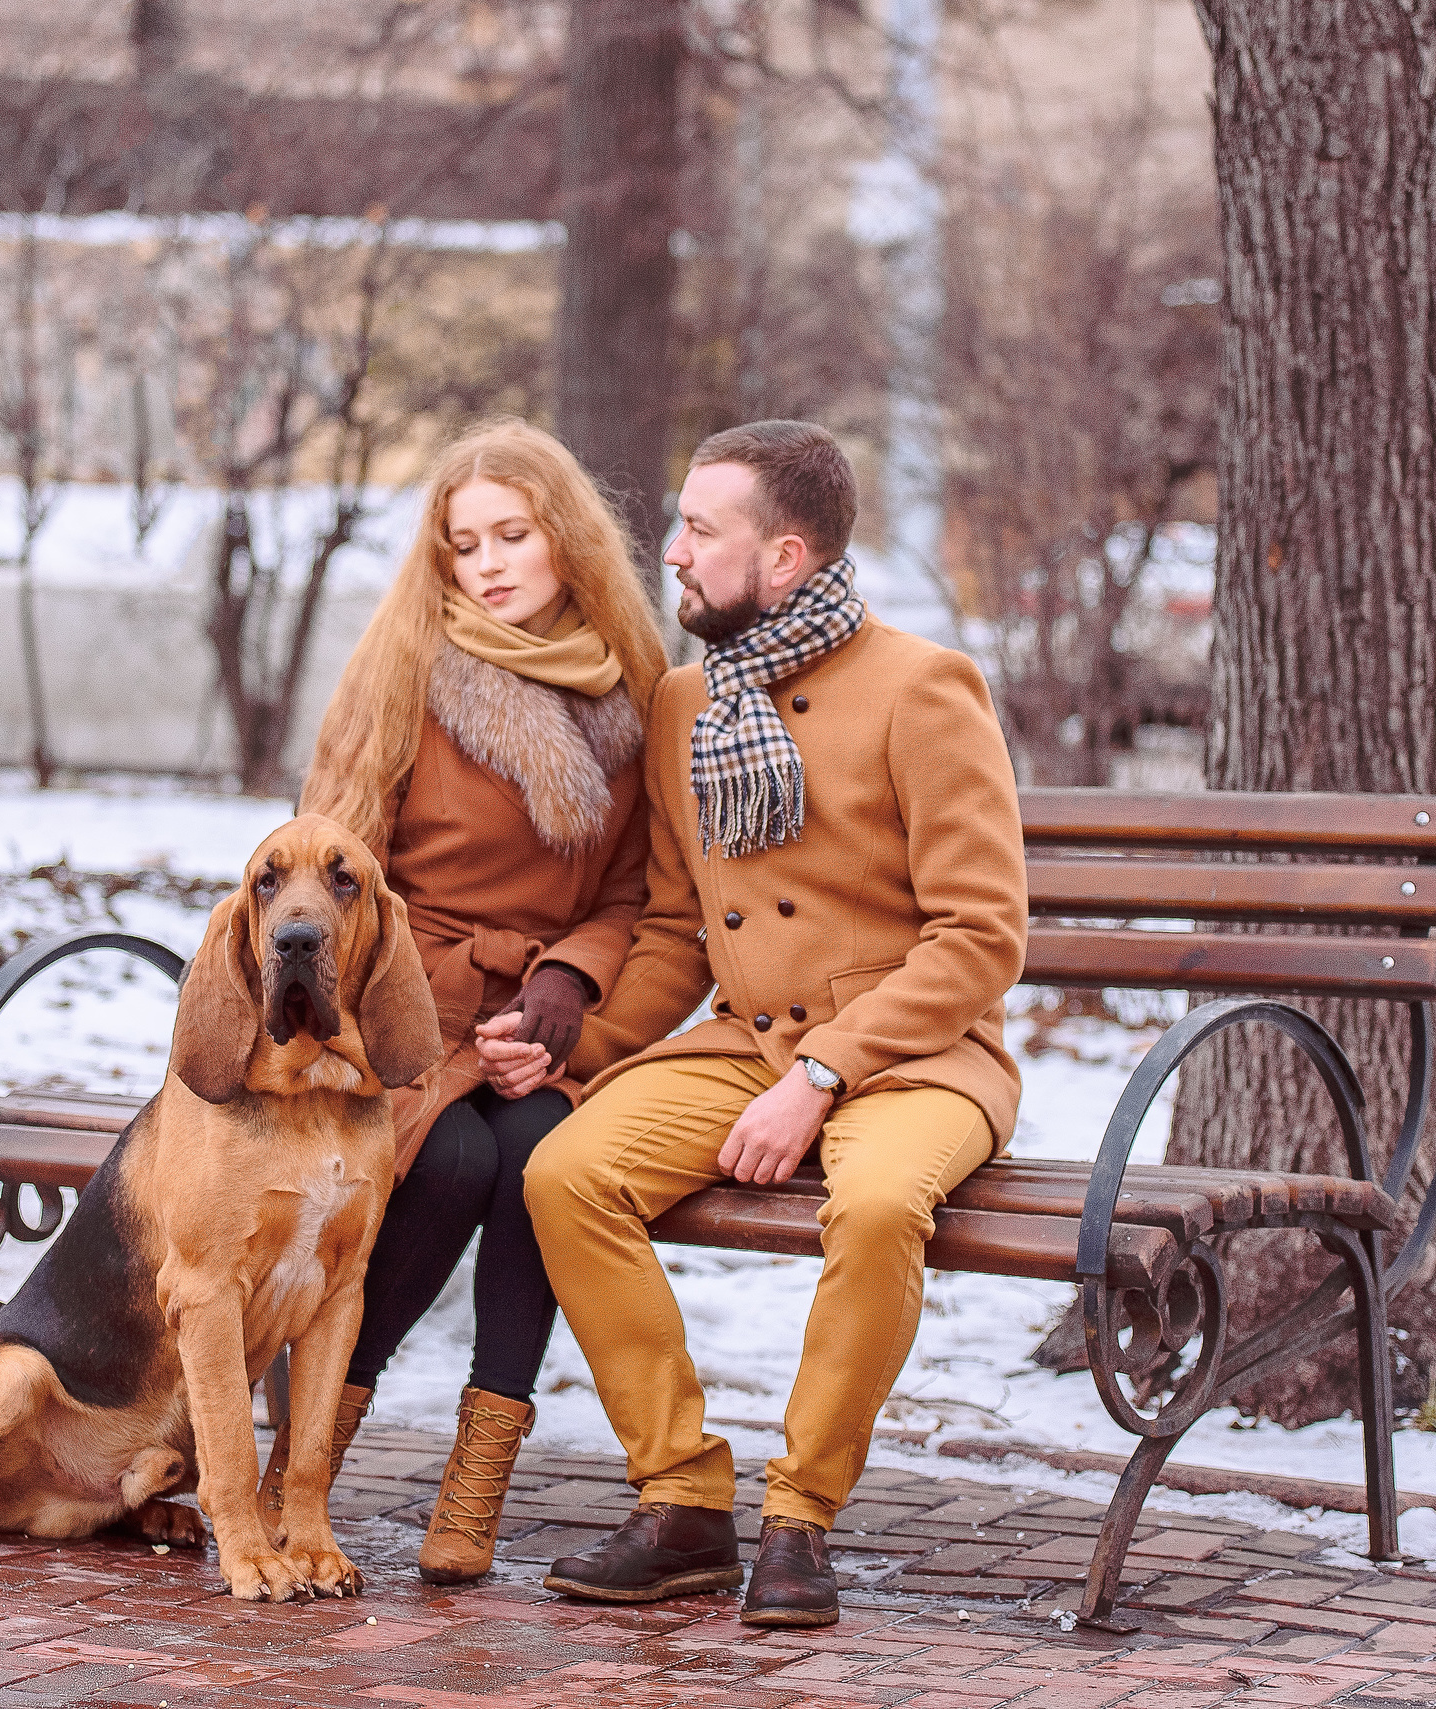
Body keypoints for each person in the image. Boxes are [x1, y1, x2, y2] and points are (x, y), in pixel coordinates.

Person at [487, 420, 1027, 1628]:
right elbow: (679, 925)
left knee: (881, 1203)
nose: (670, 551)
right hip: (746, 1042)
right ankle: (680, 1500)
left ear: (784, 558)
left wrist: (825, 1073)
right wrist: (575, 1046)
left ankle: (801, 1518)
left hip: (913, 1054)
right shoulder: (688, 701)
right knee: (566, 1169)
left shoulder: (923, 686)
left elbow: (980, 934)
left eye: (699, 528)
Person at [291, 419, 668, 1584]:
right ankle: (307, 1462)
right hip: (400, 1008)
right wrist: (430, 1010)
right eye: (465, 544)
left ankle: (476, 1487)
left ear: (567, 540)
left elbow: (636, 890)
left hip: (537, 1027)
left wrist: (565, 986)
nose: (491, 563)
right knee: (449, 1158)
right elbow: (330, 872)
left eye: (514, 534)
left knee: (546, 1157)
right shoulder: (402, 667)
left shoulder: (632, 685)